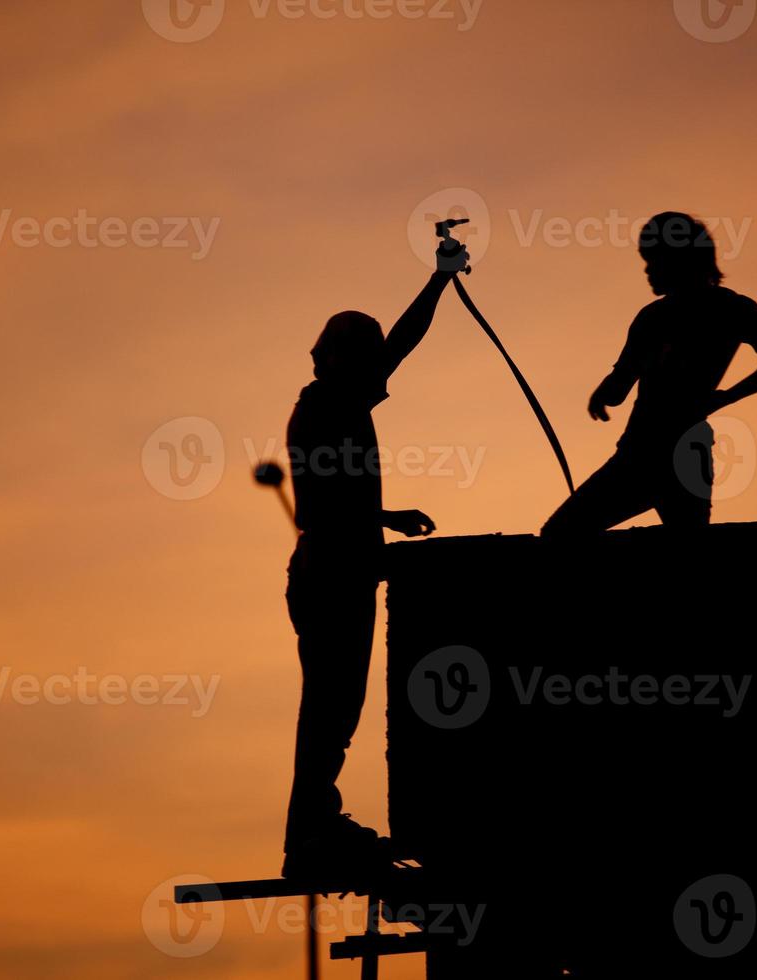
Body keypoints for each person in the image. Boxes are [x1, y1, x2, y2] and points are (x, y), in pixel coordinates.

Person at [281, 237, 468, 878]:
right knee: (329, 710)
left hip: (345, 569)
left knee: (338, 709)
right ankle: (309, 838)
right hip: (332, 574)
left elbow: (402, 343)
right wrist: (376, 539)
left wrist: (440, 281)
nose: (374, 366)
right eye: (361, 356)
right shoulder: (323, 411)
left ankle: (316, 828)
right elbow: (323, 512)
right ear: (329, 358)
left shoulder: (343, 401)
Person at [541, 212, 757, 535]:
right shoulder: (666, 316)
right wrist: (605, 393)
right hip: (663, 451)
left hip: (650, 456)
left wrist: (723, 398)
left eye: (654, 260)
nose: (648, 270)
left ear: (680, 260)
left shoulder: (718, 309)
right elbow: (620, 385)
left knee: (562, 533)